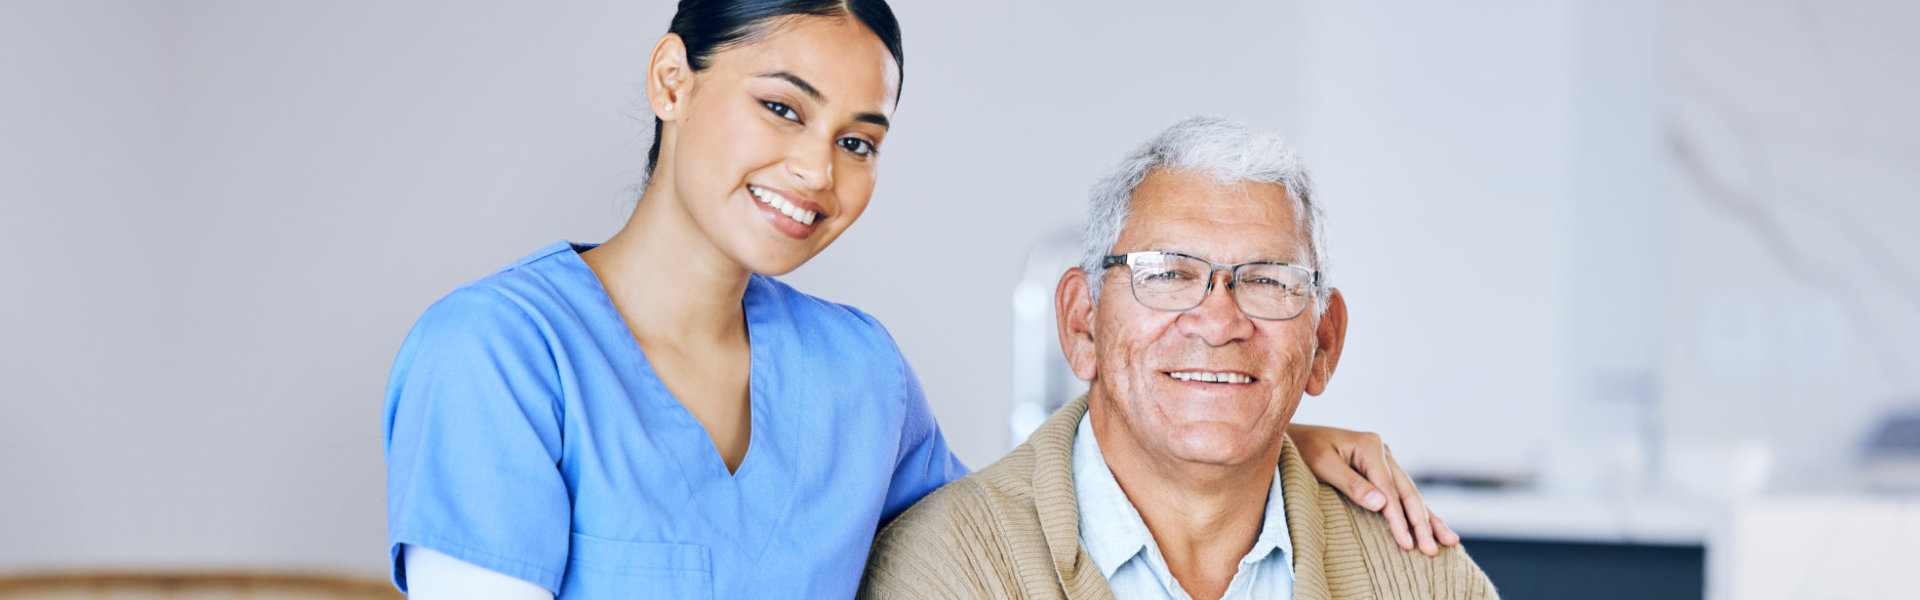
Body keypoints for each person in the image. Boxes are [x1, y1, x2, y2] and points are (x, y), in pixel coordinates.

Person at [384, 2, 1454, 599]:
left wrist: (1259, 437)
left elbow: (1030, 525)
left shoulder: (856, 373)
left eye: (856, 141)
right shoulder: (497, 356)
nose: (815, 169)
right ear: (672, 81)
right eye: (781, 108)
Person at [860, 117, 1498, 600]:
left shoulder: (1422, 577)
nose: (1219, 322)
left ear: (1323, 344)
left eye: (1269, 280)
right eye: (1166, 274)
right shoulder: (950, 567)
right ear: (1082, 323)